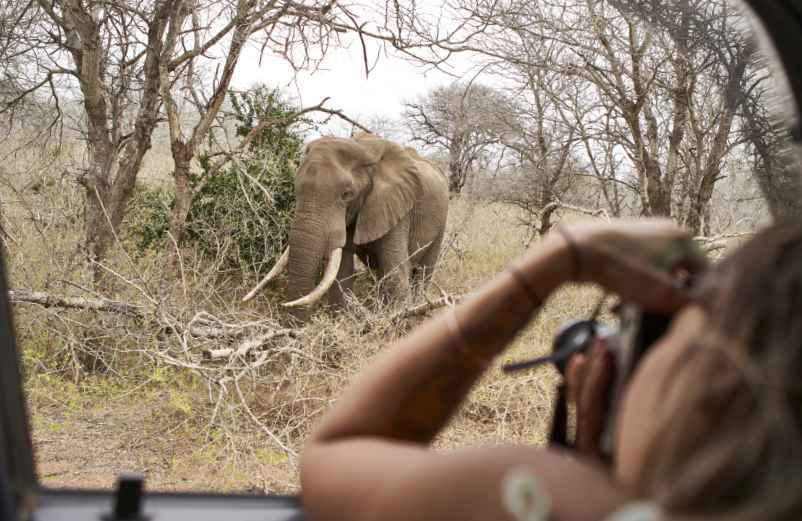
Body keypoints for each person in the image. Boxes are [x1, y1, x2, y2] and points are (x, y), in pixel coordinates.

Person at [299, 218, 802, 520]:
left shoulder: (556, 501)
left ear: (712, 382)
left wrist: (555, 261)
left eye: (659, 339)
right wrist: (596, 454)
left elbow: (335, 454)